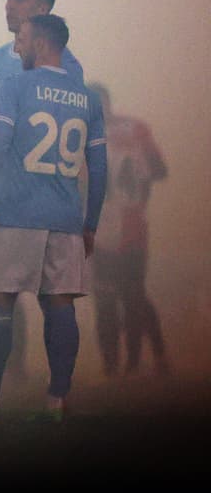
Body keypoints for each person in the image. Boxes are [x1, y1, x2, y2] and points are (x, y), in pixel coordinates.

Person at [0, 15, 106, 423]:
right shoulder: (87, 98)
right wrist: (91, 221)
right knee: (60, 303)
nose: (19, 48)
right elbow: (98, 167)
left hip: (14, 209)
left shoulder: (16, 85)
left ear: (42, 43)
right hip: (65, 216)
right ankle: (57, 402)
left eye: (24, 41)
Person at [0, 0, 84, 377]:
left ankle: (39, 398)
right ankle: (0, 392)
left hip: (36, 197)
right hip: (4, 195)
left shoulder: (68, 66)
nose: (9, 5)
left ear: (43, 9)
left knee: (45, 297)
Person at [88, 82, 169, 377]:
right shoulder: (79, 135)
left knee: (131, 294)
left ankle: (139, 361)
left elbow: (159, 170)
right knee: (110, 297)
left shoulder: (134, 129)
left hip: (129, 225)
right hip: (101, 229)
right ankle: (113, 367)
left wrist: (135, 184)